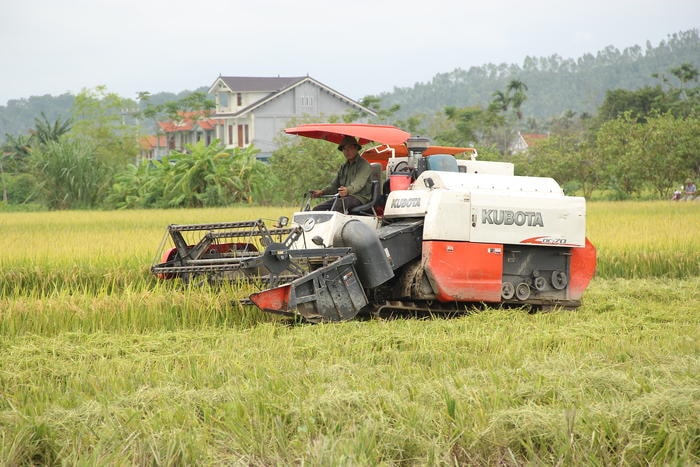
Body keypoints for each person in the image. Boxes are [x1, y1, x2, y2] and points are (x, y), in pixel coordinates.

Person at [311, 135, 373, 212]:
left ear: (356, 149)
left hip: (360, 198)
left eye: (350, 148)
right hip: (344, 198)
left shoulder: (364, 165)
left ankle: (333, 224)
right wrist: (322, 192)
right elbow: (334, 185)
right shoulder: (343, 167)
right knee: (317, 209)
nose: (347, 151)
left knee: (339, 205)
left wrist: (347, 190)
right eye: (345, 149)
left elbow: (358, 184)